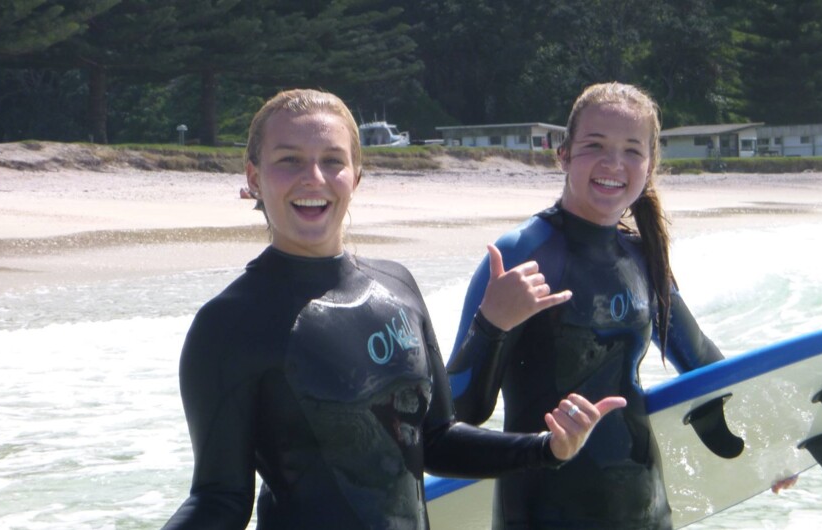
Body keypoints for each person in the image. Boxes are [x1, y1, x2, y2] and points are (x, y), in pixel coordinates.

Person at [161, 88, 627, 529]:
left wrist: (549, 448)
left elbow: (435, 439)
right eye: (289, 161)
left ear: (356, 177)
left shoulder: (396, 286)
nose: (314, 178)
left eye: (332, 161)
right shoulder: (228, 325)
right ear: (254, 178)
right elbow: (219, 498)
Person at [446, 82, 727, 529]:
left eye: (632, 150)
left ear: (650, 165)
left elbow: (704, 365)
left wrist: (767, 452)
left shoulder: (642, 256)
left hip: (646, 511)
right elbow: (457, 414)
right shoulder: (522, 253)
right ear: (564, 154)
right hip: (541, 513)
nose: (613, 163)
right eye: (595, 145)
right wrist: (492, 324)